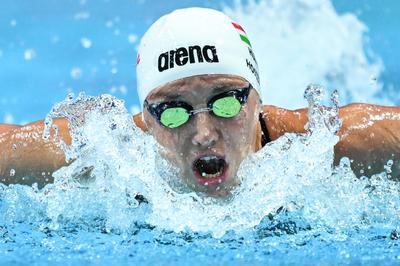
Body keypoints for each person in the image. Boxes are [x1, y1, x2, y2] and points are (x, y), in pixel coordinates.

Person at [1, 7, 400, 197]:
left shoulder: (328, 145)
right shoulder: (106, 153)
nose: (204, 134)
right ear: (147, 119)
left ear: (257, 97)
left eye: (226, 102)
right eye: (174, 112)